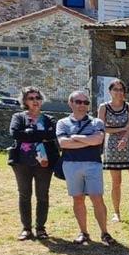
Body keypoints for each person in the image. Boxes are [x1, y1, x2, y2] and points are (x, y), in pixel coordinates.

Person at [55, 90, 115, 245]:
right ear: (71, 103)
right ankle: (84, 232)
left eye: (86, 102)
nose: (82, 105)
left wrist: (75, 137)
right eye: (78, 102)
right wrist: (87, 140)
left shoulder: (97, 122)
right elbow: (63, 143)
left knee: (97, 198)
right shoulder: (62, 123)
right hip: (71, 165)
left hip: (92, 164)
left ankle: (104, 232)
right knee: (78, 199)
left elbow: (98, 140)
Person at [7, 86, 58, 240]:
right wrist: (40, 136)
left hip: (44, 162)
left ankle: (41, 228)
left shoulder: (49, 118)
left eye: (38, 98)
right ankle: (26, 228)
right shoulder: (18, 117)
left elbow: (52, 134)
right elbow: (15, 133)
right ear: (25, 101)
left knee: (42, 195)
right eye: (31, 98)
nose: (35, 101)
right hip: (22, 162)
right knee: (24, 194)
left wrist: (29, 133)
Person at [97, 78, 129, 223]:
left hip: (128, 144)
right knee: (116, 181)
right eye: (115, 89)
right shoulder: (103, 107)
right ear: (110, 91)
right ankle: (116, 212)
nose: (118, 92)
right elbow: (101, 127)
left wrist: (124, 138)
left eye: (121, 89)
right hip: (112, 146)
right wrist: (122, 129)